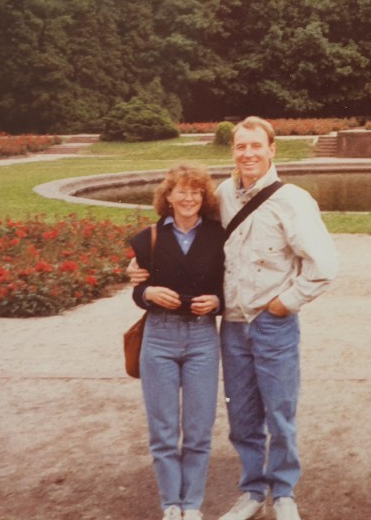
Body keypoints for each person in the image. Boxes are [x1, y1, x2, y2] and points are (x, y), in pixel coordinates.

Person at [216, 117, 339, 520]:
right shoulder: (222, 195)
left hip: (273, 324)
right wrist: (143, 262)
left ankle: (284, 493)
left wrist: (286, 303)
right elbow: (188, 238)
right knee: (242, 413)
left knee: (280, 411)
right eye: (240, 146)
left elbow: (323, 265)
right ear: (232, 151)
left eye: (255, 146)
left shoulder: (293, 200)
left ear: (272, 150)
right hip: (232, 325)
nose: (248, 154)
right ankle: (253, 491)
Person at [130, 163, 226, 520]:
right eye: (181, 191)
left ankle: (192, 504)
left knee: (199, 429)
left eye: (196, 191)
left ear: (204, 197)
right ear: (167, 196)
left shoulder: (219, 237)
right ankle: (171, 503)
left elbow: (229, 287)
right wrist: (148, 292)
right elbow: (138, 289)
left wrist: (219, 302)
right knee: (164, 430)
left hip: (202, 337)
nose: (188, 198)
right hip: (159, 338)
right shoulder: (147, 239)